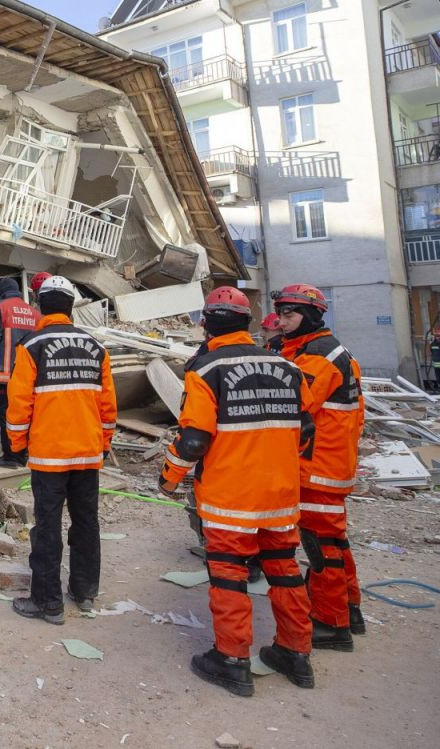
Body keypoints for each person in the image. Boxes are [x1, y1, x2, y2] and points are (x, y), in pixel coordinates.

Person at [158, 286, 315, 697]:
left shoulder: (206, 369)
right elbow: (307, 431)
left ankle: (232, 659)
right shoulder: (288, 366)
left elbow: (193, 441)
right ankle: (296, 653)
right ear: (247, 323)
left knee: (228, 575)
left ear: (206, 323)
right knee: (284, 571)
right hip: (280, 494)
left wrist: (169, 478)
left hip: (231, 498)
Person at [6, 275, 116, 623]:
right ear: (70, 307)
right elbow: (108, 406)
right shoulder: (96, 348)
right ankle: (84, 593)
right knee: (86, 523)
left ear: (39, 305)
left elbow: (19, 404)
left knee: (47, 526)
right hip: (88, 453)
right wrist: (102, 443)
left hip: (49, 455)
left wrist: (18, 445)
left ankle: (48, 602)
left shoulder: (32, 346)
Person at [273, 284, 366, 650]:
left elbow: (293, 404)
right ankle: (349, 608)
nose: (281, 322)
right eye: (280, 314)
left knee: (320, 545)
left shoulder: (319, 356)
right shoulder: (324, 350)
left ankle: (331, 622)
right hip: (331, 464)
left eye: (289, 315)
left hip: (317, 467)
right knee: (335, 541)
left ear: (311, 316)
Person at [0, 275, 39, 468]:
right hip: (27, 376)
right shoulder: (34, 313)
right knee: (25, 416)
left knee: (6, 416)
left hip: (2, 375)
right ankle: (24, 454)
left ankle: (11, 456)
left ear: (2, 291)